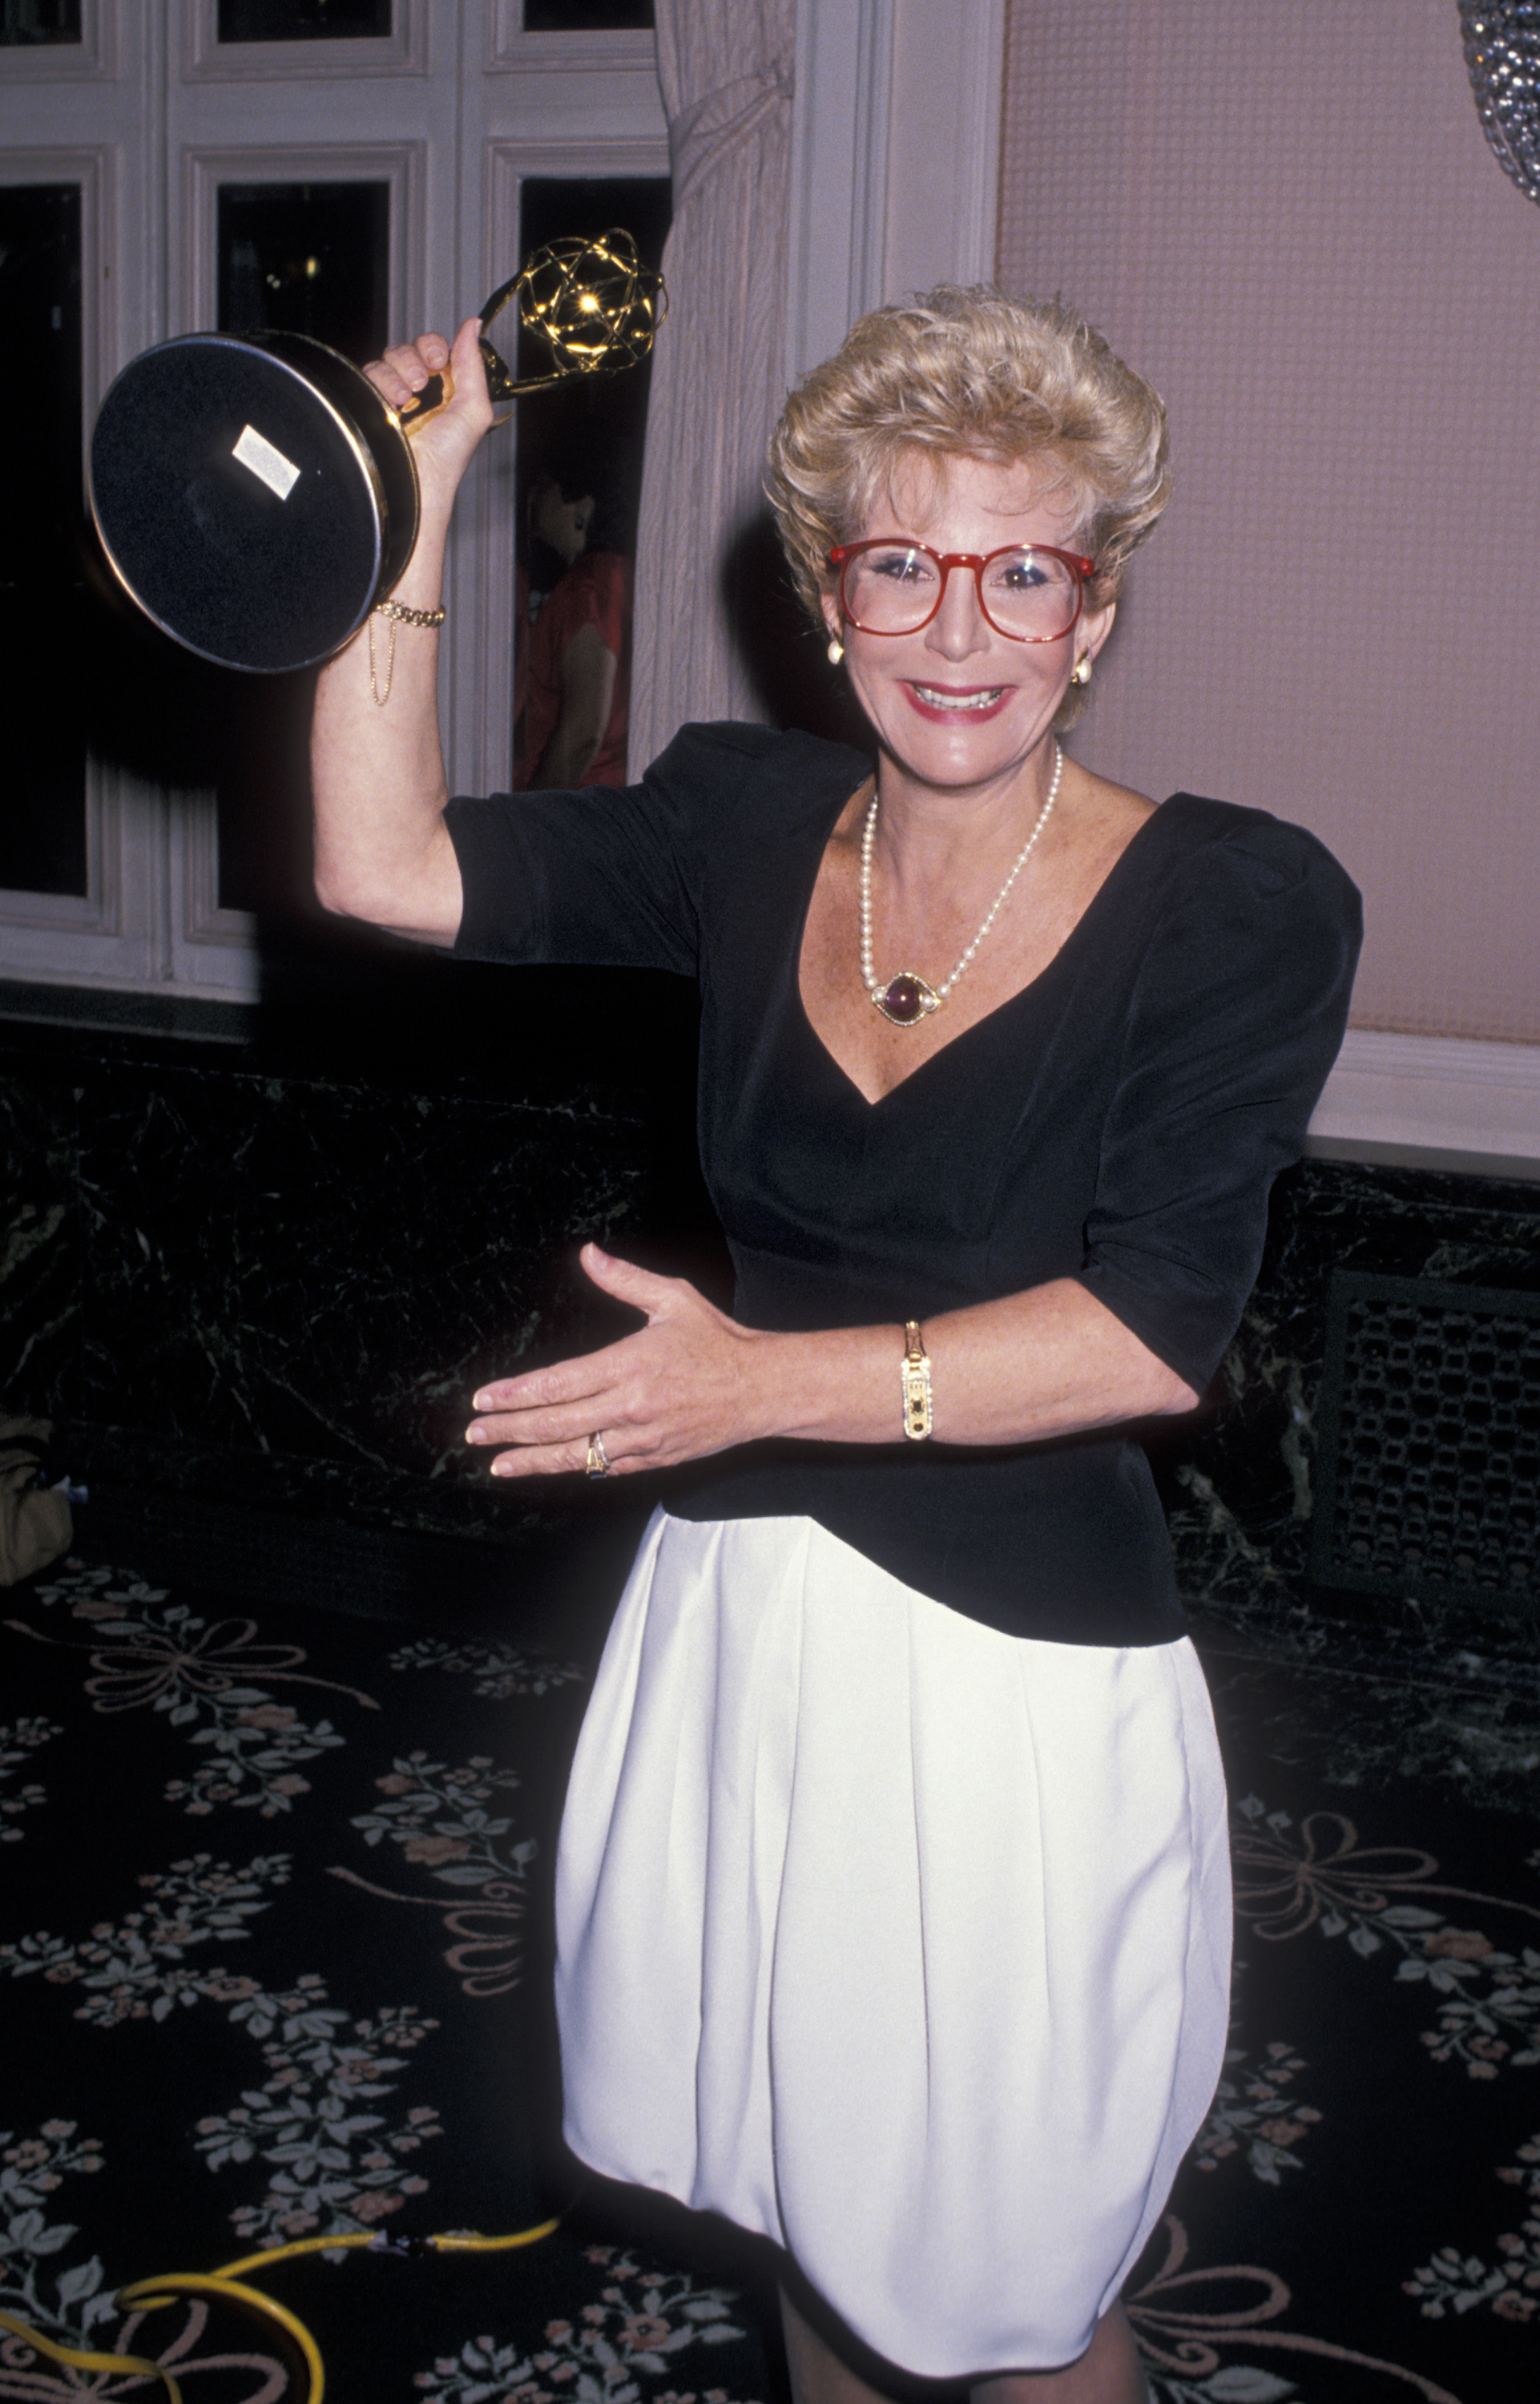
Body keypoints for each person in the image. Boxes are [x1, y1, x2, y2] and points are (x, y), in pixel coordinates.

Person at [311, 289, 1361, 2404]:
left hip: (1010, 1684)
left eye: (1021, 571)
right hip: (746, 1627)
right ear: (825, 599)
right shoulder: (742, 820)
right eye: (900, 565)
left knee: (1005, 2288)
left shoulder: (1235, 903)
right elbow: (379, 869)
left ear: (1093, 610)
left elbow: (1149, 1335)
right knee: (819, 2208)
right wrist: (395, 520)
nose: (958, 629)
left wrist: (752, 1385)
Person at [514, 458, 635, 790]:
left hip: (577, 802)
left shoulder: (587, 588)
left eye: (544, 486)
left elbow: (584, 733)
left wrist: (531, 814)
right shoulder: (620, 575)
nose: (532, 496)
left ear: (582, 505)